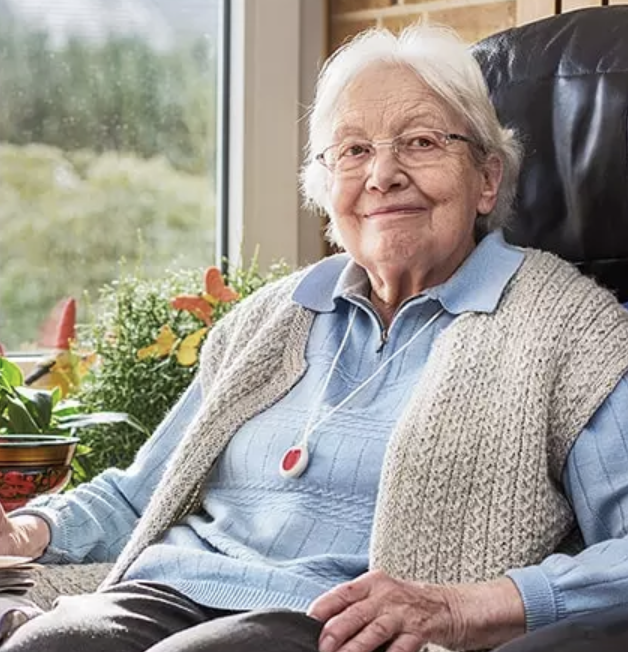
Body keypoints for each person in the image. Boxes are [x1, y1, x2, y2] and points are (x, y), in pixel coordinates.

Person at [3, 24, 628, 652]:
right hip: (170, 588)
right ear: (326, 188)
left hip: (331, 621)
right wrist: (30, 530)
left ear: (487, 178)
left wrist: (465, 608)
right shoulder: (269, 317)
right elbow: (144, 493)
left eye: (420, 141)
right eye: (352, 151)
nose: (383, 174)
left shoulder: (566, 329)